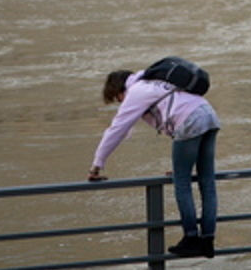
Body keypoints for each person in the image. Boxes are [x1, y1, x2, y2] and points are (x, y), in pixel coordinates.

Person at [89, 67, 222, 258]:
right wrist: (181, 163)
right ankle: (207, 241)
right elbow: (174, 109)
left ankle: (191, 239)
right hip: (209, 114)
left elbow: (116, 129)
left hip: (190, 120)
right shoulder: (154, 83)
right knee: (207, 182)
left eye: (117, 98)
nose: (119, 103)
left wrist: (97, 165)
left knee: (181, 182)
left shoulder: (136, 92)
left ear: (119, 90)